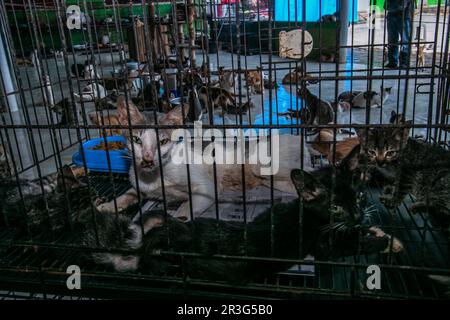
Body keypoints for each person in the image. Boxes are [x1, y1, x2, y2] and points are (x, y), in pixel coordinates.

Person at [384, 0, 415, 68]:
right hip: (392, 10)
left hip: (404, 12)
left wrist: (404, 4)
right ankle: (392, 61)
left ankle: (404, 63)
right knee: (392, 39)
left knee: (405, 40)